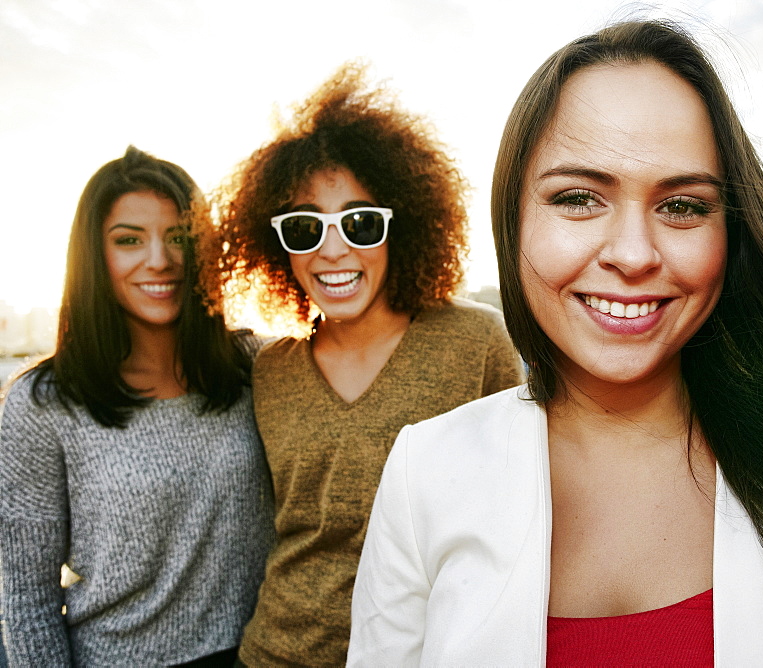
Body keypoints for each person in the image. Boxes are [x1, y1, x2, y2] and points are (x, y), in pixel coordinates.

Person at [349, 19, 763, 666]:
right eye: (578, 198)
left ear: (732, 233)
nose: (634, 254)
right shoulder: (424, 473)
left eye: (683, 206)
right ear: (513, 219)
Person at [206, 62, 523, 666]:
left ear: (399, 226)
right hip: (275, 654)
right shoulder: (270, 369)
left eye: (358, 221)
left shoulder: (476, 342)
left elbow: (522, 515)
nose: (333, 249)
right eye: (304, 227)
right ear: (278, 246)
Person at [0, 146, 274, 665]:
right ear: (93, 256)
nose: (159, 260)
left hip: (256, 657)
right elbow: (28, 602)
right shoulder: (43, 404)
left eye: (179, 238)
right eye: (129, 240)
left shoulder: (251, 367)